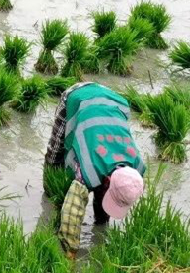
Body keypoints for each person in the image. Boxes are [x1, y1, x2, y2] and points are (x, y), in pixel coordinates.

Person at [43, 82, 147, 259]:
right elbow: (71, 215)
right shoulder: (87, 170)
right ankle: (48, 194)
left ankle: (101, 218)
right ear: (107, 180)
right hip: (79, 97)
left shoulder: (137, 170)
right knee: (55, 156)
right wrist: (70, 254)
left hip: (112, 99)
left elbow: (116, 188)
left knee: (102, 194)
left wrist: (100, 232)